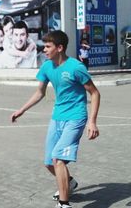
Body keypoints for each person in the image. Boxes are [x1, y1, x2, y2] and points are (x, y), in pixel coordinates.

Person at [10, 31, 100, 208]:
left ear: (60, 48)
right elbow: (40, 93)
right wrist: (22, 110)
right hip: (57, 117)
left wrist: (92, 121)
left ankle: (64, 203)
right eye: (44, 46)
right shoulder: (47, 67)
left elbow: (95, 93)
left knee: (58, 159)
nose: (44, 50)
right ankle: (70, 183)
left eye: (48, 47)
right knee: (49, 162)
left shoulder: (76, 67)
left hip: (76, 118)